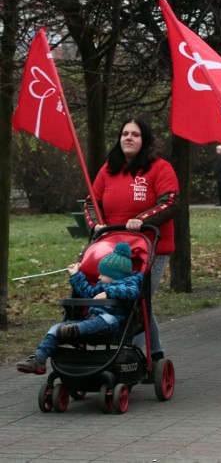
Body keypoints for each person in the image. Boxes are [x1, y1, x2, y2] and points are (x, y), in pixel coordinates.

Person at [84, 119, 178, 364]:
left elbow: (169, 202)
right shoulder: (108, 170)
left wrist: (142, 219)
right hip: (112, 246)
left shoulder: (159, 168)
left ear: (144, 140)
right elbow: (91, 203)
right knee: (125, 298)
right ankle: (153, 353)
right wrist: (96, 225)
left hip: (149, 246)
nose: (128, 138)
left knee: (138, 299)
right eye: (124, 133)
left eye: (135, 134)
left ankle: (137, 355)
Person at [17, 242, 143, 374]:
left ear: (115, 276)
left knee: (105, 318)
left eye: (102, 274)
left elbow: (131, 292)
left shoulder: (130, 283)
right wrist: (75, 275)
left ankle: (75, 329)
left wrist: (108, 293)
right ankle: (39, 359)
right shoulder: (100, 286)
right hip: (91, 322)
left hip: (114, 324)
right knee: (56, 329)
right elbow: (87, 292)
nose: (98, 277)